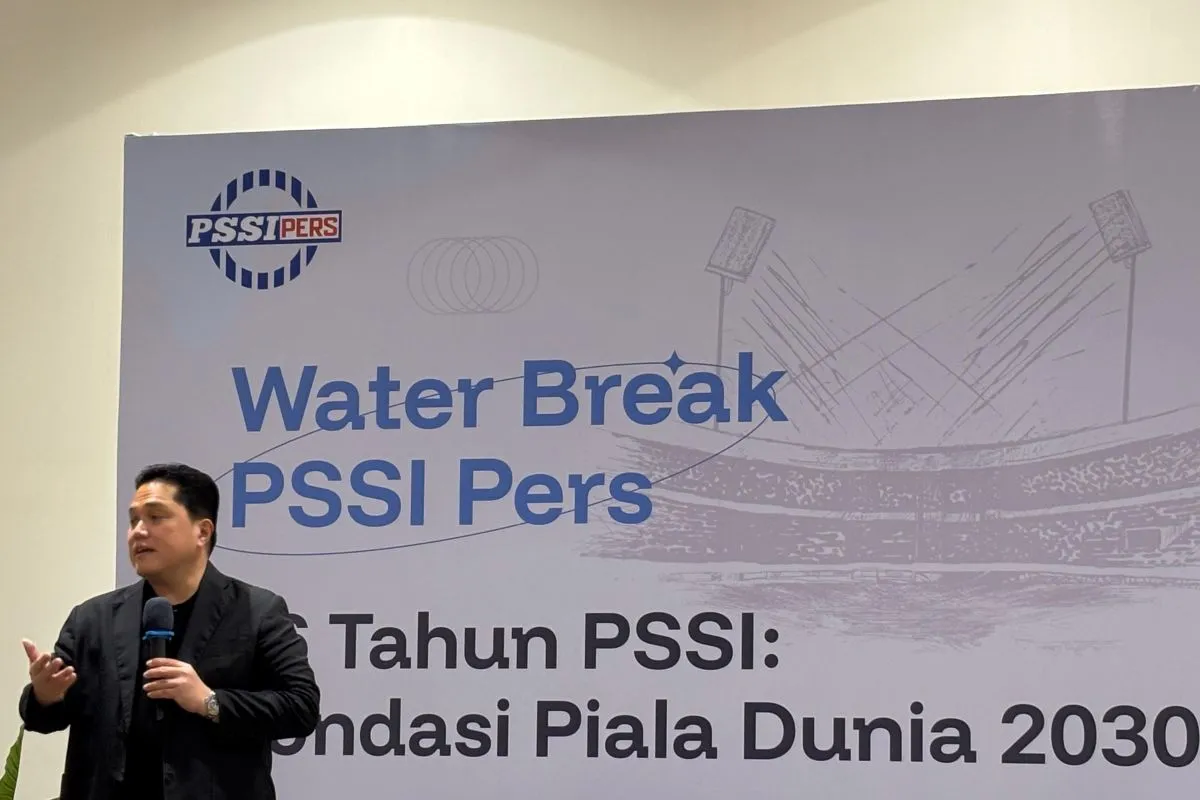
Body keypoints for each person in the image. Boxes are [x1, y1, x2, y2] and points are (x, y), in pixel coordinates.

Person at [18, 463, 321, 800]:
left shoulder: (256, 611)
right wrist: (46, 695)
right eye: (133, 520)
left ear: (202, 532)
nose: (138, 531)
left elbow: (301, 708)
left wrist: (210, 701)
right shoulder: (92, 618)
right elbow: (43, 719)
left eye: (155, 517)